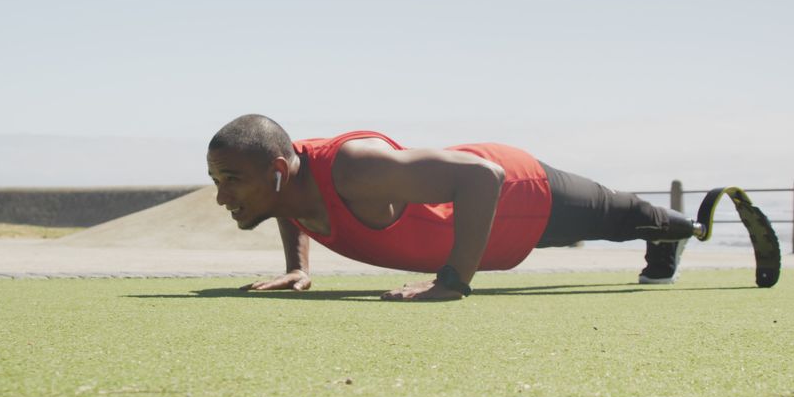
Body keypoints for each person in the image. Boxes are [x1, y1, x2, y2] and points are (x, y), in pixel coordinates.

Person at [207, 114, 709, 301]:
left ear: (276, 171)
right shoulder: (287, 183)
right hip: (488, 234)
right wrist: (297, 268)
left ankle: (686, 228)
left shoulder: (354, 169)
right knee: (616, 226)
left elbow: (480, 177)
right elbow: (287, 204)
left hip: (515, 190)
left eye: (232, 180)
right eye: (216, 180)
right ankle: (665, 242)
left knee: (622, 218)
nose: (221, 196)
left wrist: (452, 281)